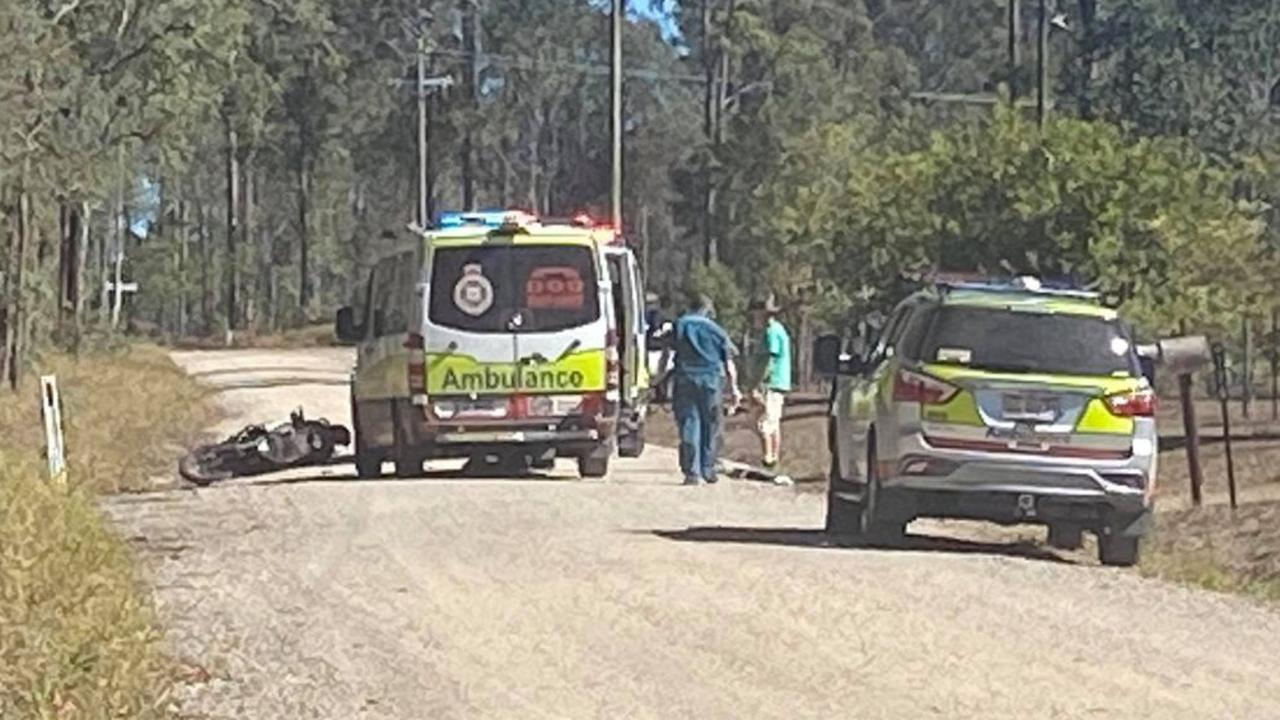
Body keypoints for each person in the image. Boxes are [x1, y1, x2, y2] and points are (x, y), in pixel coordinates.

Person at [670, 294, 742, 485]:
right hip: (710, 379)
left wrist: (658, 379)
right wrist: (734, 388)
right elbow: (728, 361)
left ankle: (691, 472)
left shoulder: (680, 325)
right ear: (708, 309)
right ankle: (707, 469)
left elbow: (667, 354)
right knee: (710, 425)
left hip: (685, 377)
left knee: (689, 422)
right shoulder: (716, 330)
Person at [748, 293, 792, 468]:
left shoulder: (771, 332)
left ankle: (768, 459)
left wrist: (757, 384)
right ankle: (773, 457)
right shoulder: (776, 330)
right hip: (776, 383)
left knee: (763, 422)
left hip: (770, 384)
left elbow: (769, 361)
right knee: (772, 423)